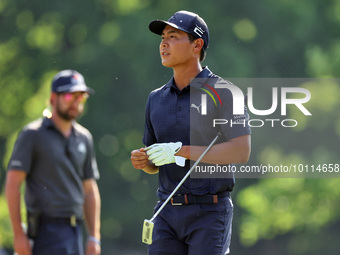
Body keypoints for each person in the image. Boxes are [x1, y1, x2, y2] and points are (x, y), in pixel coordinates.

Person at [131, 10, 251, 255]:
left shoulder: (226, 93)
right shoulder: (155, 99)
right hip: (166, 211)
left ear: (197, 45)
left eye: (173, 36)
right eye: (163, 37)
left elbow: (241, 151)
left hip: (210, 212)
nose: (163, 43)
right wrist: (145, 161)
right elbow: (156, 164)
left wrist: (180, 151)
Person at [5, 70, 101, 255]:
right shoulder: (32, 135)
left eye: (81, 96)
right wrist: (18, 235)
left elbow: (89, 189)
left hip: (75, 231)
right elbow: (13, 184)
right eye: (68, 95)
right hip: (44, 231)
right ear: (52, 98)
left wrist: (94, 237)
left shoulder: (84, 137)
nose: (75, 101)